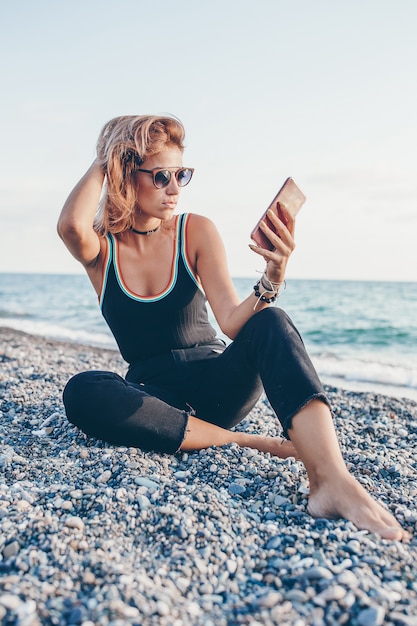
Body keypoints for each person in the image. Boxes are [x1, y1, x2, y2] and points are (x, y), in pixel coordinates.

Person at [57, 114, 408, 541]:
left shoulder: (195, 231)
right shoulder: (101, 249)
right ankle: (246, 442)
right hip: (154, 400)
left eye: (181, 175)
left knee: (271, 320)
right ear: (127, 174)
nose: (174, 189)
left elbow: (232, 322)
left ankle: (332, 479)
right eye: (162, 176)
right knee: (82, 389)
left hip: (217, 385)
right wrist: (106, 155)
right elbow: (70, 225)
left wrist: (273, 274)